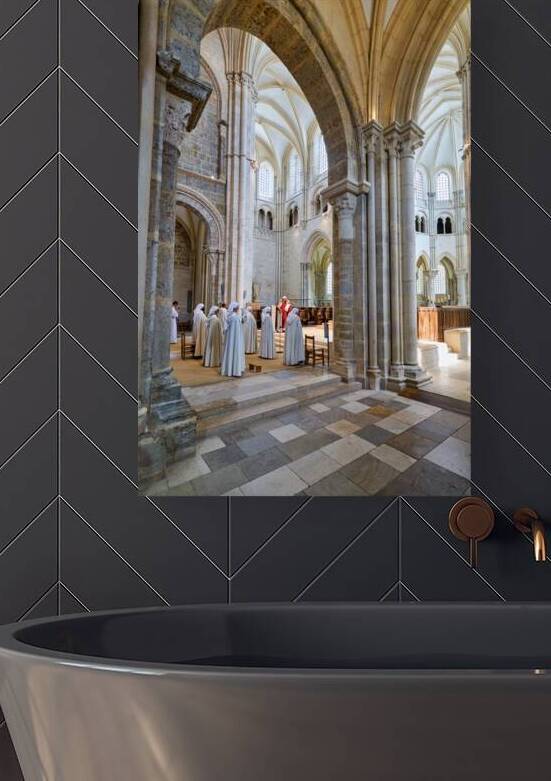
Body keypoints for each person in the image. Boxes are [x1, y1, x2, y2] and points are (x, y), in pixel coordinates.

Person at [220, 302, 246, 377]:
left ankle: (228, 369)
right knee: (236, 352)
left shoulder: (229, 317)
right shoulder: (237, 317)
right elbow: (243, 322)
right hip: (237, 339)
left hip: (230, 339)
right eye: (238, 307)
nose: (238, 309)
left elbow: (225, 329)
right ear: (236, 308)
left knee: (230, 352)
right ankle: (236, 370)